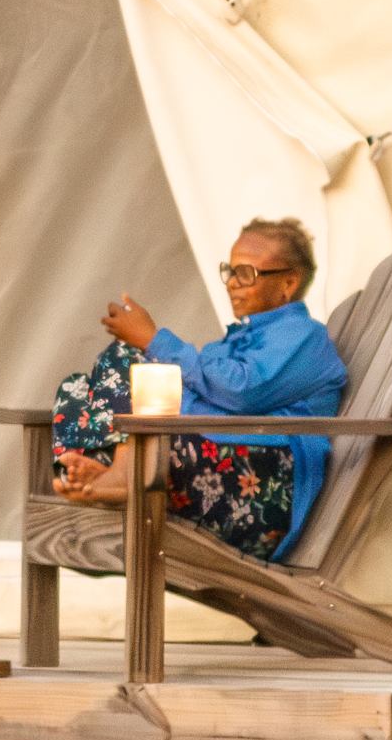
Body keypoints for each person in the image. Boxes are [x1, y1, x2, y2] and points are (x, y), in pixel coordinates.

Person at [47, 216, 348, 563]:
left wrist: (153, 340)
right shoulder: (240, 339)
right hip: (214, 459)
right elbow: (195, 391)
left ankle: (122, 474)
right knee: (78, 386)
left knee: (132, 362)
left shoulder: (304, 338)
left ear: (288, 282)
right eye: (230, 271)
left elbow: (241, 392)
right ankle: (109, 469)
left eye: (246, 273)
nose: (232, 283)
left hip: (260, 490)